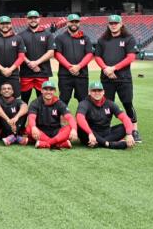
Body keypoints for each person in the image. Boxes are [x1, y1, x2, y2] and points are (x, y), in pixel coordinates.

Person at [94, 14, 142, 143]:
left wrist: (113, 68)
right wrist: (106, 69)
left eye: (116, 23)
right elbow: (97, 57)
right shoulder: (102, 40)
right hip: (106, 78)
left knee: (127, 103)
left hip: (123, 78)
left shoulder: (128, 38)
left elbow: (131, 57)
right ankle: (105, 129)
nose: (113, 25)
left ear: (121, 24)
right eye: (111, 23)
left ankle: (134, 130)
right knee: (106, 104)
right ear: (108, 25)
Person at [76, 81, 135, 150]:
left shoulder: (110, 103)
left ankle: (98, 143)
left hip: (106, 133)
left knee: (125, 127)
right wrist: (90, 133)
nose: (97, 93)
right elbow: (79, 118)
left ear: (103, 92)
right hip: (90, 134)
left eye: (99, 90)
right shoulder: (84, 103)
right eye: (94, 91)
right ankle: (109, 144)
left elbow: (125, 118)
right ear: (89, 92)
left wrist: (129, 134)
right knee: (80, 127)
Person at [53, 14, 94, 105]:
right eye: (72, 22)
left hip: (82, 75)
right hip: (65, 75)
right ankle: (62, 119)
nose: (74, 24)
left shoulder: (85, 38)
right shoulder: (60, 38)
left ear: (79, 23)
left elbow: (90, 54)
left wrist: (79, 66)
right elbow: (57, 54)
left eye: (76, 22)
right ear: (67, 23)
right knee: (63, 101)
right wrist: (69, 67)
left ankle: (81, 119)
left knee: (83, 101)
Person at [26, 80, 77, 149]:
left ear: (54, 91)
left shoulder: (59, 103)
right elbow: (31, 117)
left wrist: (74, 129)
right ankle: (58, 144)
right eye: (46, 89)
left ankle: (47, 143)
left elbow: (69, 117)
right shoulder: (35, 103)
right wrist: (34, 127)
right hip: (41, 131)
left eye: (51, 89)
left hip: (56, 131)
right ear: (41, 90)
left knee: (70, 128)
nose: (48, 92)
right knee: (29, 128)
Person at [18, 10, 55, 103]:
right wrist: (30, 63)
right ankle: (23, 117)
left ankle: (41, 118)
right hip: (26, 73)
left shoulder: (48, 34)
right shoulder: (20, 35)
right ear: (27, 20)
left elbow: (51, 52)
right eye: (30, 18)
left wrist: (36, 63)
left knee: (43, 100)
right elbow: (19, 52)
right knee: (24, 100)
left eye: (35, 18)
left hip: (42, 72)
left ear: (39, 19)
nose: (33, 20)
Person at [0, 16, 27, 98]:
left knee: (14, 98)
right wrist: (2, 69)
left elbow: (21, 56)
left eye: (7, 23)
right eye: (2, 23)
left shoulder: (18, 38)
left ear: (11, 25)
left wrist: (10, 69)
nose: (5, 25)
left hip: (13, 74)